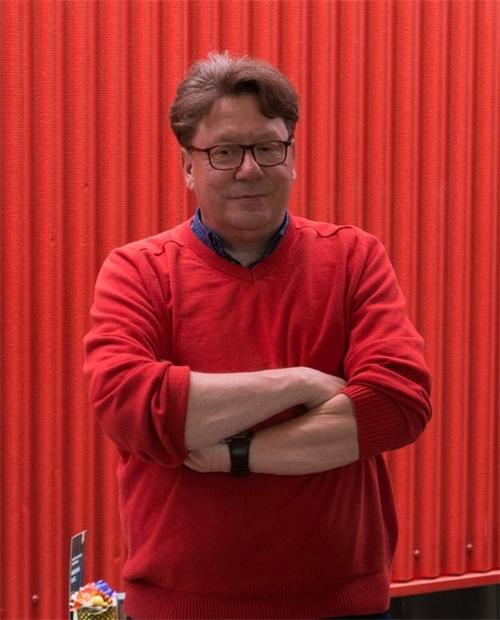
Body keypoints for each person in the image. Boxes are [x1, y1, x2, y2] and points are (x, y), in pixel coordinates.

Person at [83, 52, 431, 620]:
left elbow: (397, 405)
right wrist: (300, 383)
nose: (249, 169)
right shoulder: (139, 271)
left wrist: (232, 456)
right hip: (184, 607)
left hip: (341, 604)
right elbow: (132, 407)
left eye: (269, 147)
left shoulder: (353, 258)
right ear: (188, 165)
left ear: (292, 156)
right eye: (224, 151)